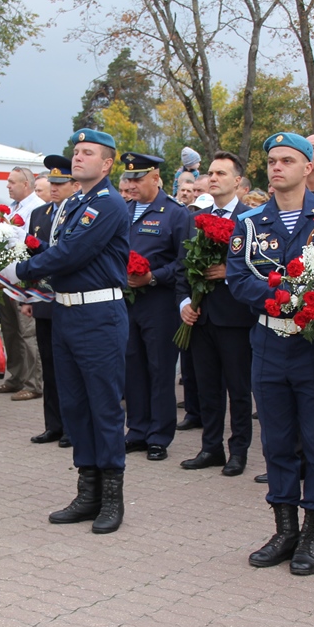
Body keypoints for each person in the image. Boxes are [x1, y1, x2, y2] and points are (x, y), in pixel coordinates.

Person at [227, 132, 314, 576]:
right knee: (277, 441)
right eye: (272, 161)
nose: (277, 168)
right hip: (270, 340)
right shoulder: (252, 221)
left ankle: (313, 534)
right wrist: (284, 300)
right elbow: (238, 279)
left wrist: (303, 302)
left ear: (308, 167)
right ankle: (284, 528)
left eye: (287, 161)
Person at [8, 128, 130, 534]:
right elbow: (57, 250)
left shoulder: (109, 203)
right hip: (65, 313)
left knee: (104, 407)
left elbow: (75, 252)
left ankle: (112, 498)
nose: (77, 158)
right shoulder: (73, 201)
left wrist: (22, 270)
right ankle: (87, 490)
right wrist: (18, 249)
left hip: (99, 315)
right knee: (75, 406)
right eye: (76, 151)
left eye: (87, 153)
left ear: (107, 163)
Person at [178, 152, 256, 476]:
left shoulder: (252, 218)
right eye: (210, 172)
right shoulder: (197, 217)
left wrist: (229, 271)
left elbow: (261, 269)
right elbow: (185, 267)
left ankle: (238, 450)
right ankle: (210, 447)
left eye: (221, 173)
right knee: (207, 387)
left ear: (237, 180)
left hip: (235, 318)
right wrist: (185, 303)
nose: (213, 178)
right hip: (201, 316)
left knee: (238, 389)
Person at [119, 151, 192, 461]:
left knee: (160, 369)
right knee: (132, 367)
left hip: (159, 302)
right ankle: (136, 429)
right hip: (127, 302)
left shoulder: (176, 213)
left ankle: (159, 435)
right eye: (128, 178)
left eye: (138, 178)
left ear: (155, 178)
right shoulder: (124, 210)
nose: (132, 185)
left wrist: (152, 277)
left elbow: (184, 263)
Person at [24, 155, 77, 446]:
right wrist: (28, 295)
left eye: (61, 183)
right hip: (44, 298)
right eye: (52, 182)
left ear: (73, 184)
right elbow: (32, 257)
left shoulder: (79, 213)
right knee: (49, 364)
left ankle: (72, 426)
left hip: (70, 298)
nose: (55, 188)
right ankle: (53, 424)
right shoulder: (40, 214)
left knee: (69, 367)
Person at [0, 166, 45, 400]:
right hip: (6, 277)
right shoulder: (11, 208)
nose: (8, 186)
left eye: (12, 182)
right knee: (10, 329)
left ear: (26, 184)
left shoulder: (37, 208)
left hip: (24, 278)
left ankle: (33, 383)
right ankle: (14, 377)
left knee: (27, 332)